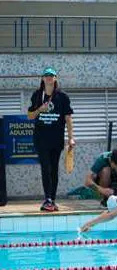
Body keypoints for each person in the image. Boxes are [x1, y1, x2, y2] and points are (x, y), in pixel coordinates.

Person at [27, 67, 75, 212]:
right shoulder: (37, 95)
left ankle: (52, 199)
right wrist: (39, 110)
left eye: (51, 75)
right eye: (46, 75)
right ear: (42, 78)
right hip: (41, 139)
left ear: (55, 79)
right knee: (45, 167)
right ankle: (47, 198)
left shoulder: (63, 97)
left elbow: (68, 118)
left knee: (54, 169)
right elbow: (30, 116)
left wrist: (71, 138)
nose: (49, 77)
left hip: (57, 139)